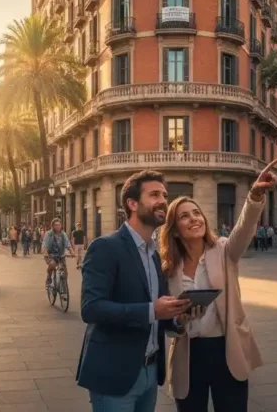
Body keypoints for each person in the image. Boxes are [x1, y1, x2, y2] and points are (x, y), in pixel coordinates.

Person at [160, 159, 277, 412]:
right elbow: (165, 318)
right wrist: (179, 318)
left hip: (226, 348)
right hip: (188, 354)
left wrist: (255, 195)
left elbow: (244, 229)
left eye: (196, 213)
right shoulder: (168, 267)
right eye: (184, 216)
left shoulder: (224, 250)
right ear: (175, 229)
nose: (194, 219)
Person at [77, 170, 190, 412]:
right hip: (114, 374)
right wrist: (152, 311)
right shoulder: (105, 248)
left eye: (164, 195)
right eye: (154, 195)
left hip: (150, 373)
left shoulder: (154, 253)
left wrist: (176, 318)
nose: (162, 200)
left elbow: (158, 314)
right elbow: (91, 308)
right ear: (132, 203)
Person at [43, 217, 74, 287]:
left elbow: (68, 244)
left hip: (61, 255)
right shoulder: (48, 234)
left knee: (65, 272)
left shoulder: (63, 234)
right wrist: (45, 253)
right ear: (53, 226)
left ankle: (64, 285)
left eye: (59, 225)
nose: (57, 226)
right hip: (50, 255)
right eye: (56, 225)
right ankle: (49, 277)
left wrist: (72, 252)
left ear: (61, 226)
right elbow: (45, 244)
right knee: (53, 265)